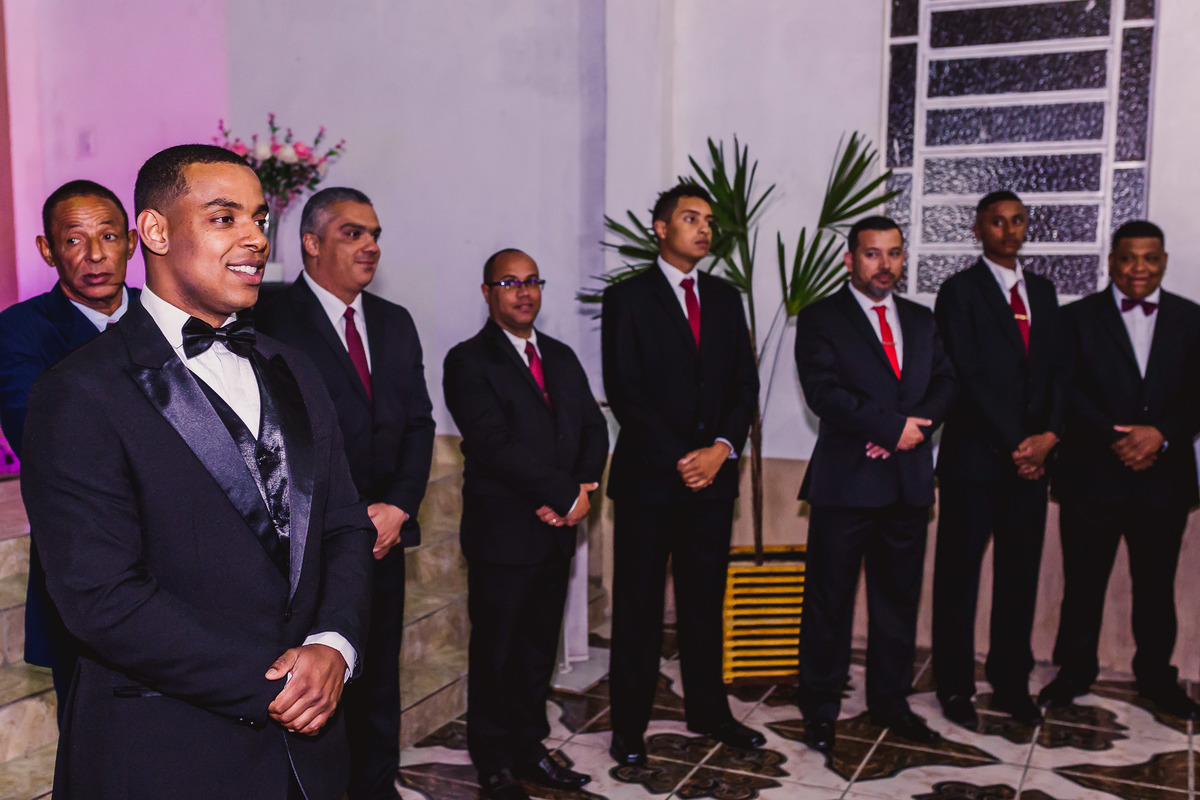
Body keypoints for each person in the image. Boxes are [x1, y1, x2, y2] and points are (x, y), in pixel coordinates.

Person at [19, 144, 375, 800]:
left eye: (260, 219)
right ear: (155, 232)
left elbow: (346, 526)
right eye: (223, 218)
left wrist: (334, 645)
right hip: (167, 750)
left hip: (311, 754)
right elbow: (102, 598)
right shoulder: (78, 391)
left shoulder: (294, 369)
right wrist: (278, 683)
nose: (256, 238)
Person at [256, 187, 435, 799]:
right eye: (353, 233)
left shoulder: (394, 321)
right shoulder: (269, 318)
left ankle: (378, 790)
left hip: (385, 535)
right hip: (311, 543)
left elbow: (419, 424)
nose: (370, 246)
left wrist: (400, 506)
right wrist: (345, 519)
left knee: (379, 674)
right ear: (311, 242)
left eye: (374, 234)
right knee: (316, 682)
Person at [601, 184, 763, 765]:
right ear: (660, 228)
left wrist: (720, 449)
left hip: (713, 482)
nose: (704, 229)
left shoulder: (724, 297)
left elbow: (744, 386)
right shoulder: (627, 298)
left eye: (709, 221)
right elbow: (625, 390)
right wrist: (682, 457)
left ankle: (709, 712)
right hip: (650, 481)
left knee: (704, 603)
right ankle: (628, 727)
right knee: (639, 610)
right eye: (691, 218)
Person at [443, 248, 608, 800]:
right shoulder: (468, 361)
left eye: (532, 280)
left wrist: (580, 490)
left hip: (556, 530)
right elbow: (493, 444)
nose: (524, 291)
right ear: (487, 292)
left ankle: (529, 745)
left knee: (538, 649)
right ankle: (493, 758)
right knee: (497, 651)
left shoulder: (559, 355)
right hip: (503, 534)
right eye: (510, 282)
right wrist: (560, 494)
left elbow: (593, 428)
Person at [794, 216, 956, 753]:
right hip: (846, 484)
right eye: (872, 253)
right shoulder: (821, 318)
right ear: (850, 260)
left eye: (894, 253)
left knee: (897, 601)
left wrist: (912, 433)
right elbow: (823, 393)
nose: (884, 264)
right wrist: (889, 429)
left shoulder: (922, 319)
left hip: (908, 483)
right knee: (829, 601)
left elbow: (946, 382)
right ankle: (819, 707)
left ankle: (891, 702)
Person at [1040, 221, 1200, 719]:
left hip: (1164, 478)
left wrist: (1161, 434)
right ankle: (1073, 671)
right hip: (1092, 476)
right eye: (1128, 258)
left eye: (1150, 258)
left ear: (1164, 262)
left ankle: (1156, 677)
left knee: (1156, 586)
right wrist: (1118, 438)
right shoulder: (1074, 318)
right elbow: (1064, 390)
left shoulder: (1192, 319)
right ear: (1111, 261)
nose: (1138, 268)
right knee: (1083, 583)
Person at [0, 180, 140, 724]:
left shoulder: (170, 317)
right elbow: (43, 442)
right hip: (86, 572)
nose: (95, 255)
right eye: (75, 240)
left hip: (189, 570)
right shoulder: (20, 331)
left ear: (133, 241)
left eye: (109, 236)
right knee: (93, 738)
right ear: (47, 249)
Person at [932, 190, 1066, 728]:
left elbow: (1058, 372)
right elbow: (968, 376)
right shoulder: (958, 292)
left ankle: (1011, 682)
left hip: (1033, 464)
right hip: (975, 461)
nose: (1009, 231)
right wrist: (1020, 444)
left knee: (1019, 576)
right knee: (958, 578)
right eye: (997, 222)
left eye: (1017, 221)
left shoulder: (1044, 291)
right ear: (978, 230)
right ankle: (954, 687)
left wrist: (1049, 437)